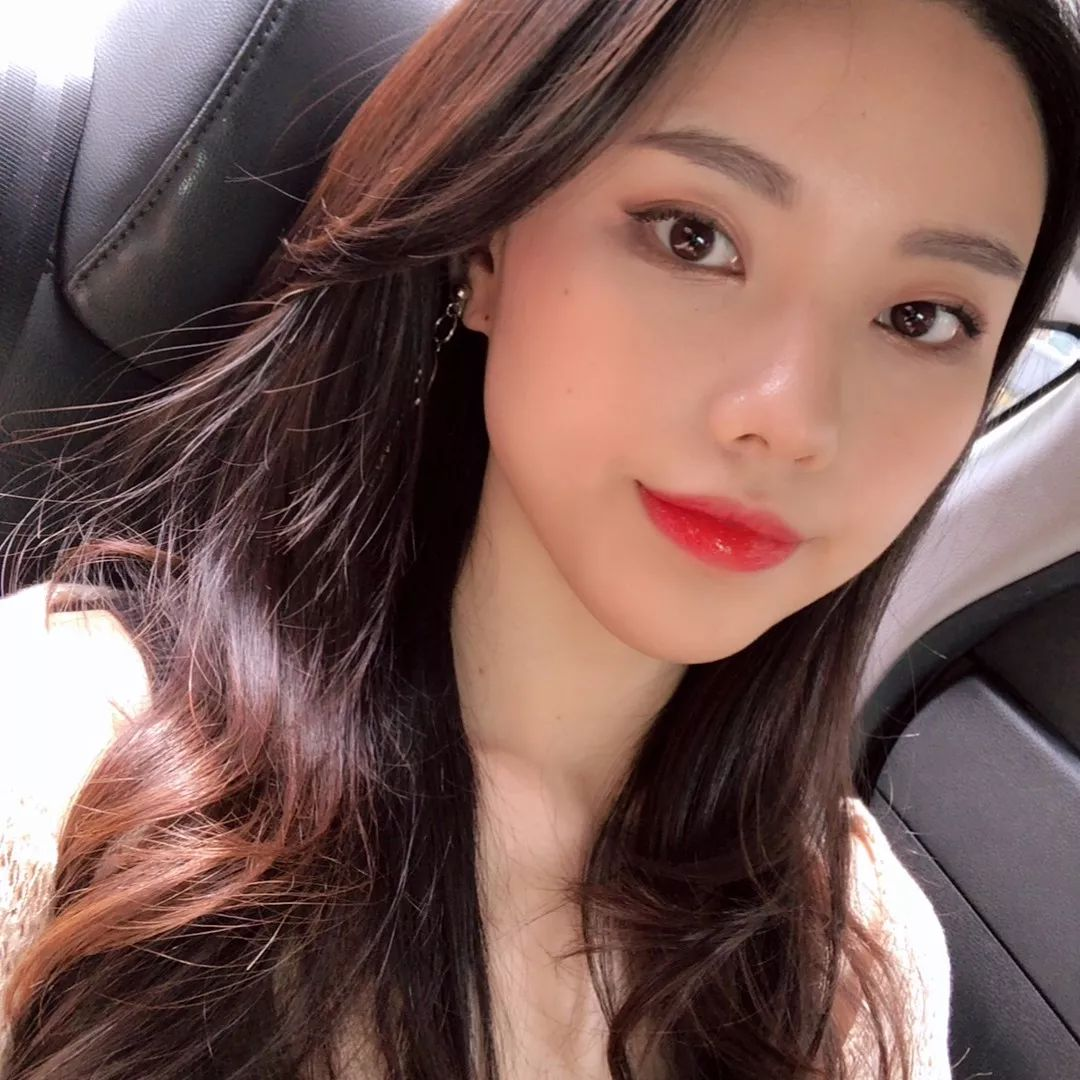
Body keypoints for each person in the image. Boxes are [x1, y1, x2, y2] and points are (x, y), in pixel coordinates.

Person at [1, 0, 1078, 1077]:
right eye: (693, 237)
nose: (792, 418)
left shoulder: (856, 947)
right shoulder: (67, 750)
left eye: (923, 319)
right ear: (489, 244)